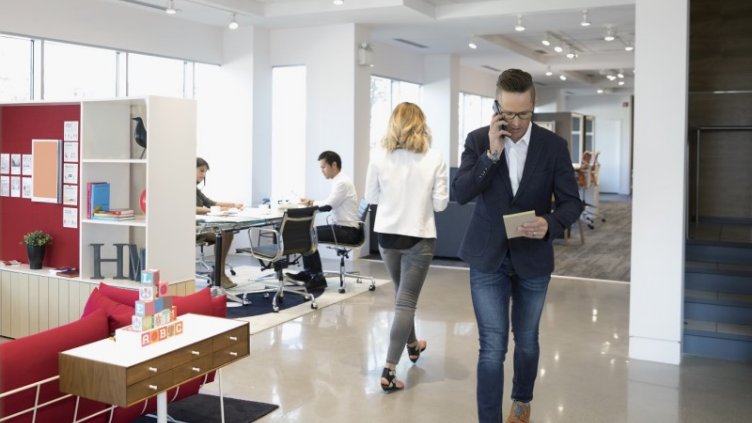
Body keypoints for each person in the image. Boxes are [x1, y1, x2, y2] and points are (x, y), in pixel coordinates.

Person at [452, 69, 583, 423]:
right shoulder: (480, 140)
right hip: (488, 257)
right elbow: (461, 193)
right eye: (508, 113)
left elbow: (573, 202)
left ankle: (522, 401)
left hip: (533, 257)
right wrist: (491, 156)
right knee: (492, 348)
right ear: (497, 107)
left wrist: (551, 223)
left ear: (533, 107)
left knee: (526, 340)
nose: (517, 122)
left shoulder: (553, 147)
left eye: (524, 114)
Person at [365, 102, 448, 392]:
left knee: (402, 299)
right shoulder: (434, 157)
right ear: (421, 124)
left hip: (387, 237)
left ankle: (413, 346)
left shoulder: (378, 156)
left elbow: (371, 198)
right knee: (405, 302)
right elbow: (440, 203)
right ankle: (388, 371)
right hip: (418, 237)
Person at [288, 150, 359, 290]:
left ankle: (317, 277)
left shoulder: (342, 183)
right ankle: (310, 273)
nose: (322, 171)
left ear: (334, 165)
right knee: (308, 233)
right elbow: (328, 202)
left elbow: (327, 206)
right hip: (342, 227)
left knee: (308, 234)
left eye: (323, 167)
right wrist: (311, 202)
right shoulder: (339, 180)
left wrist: (309, 207)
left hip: (347, 231)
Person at [196, 157, 244, 290]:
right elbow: (188, 207)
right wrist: (212, 210)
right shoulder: (183, 187)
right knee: (224, 233)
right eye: (201, 171)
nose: (203, 174)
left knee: (226, 232)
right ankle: (219, 274)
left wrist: (234, 205)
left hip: (202, 227)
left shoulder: (195, 190)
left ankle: (219, 273)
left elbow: (212, 203)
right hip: (192, 229)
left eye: (205, 172)